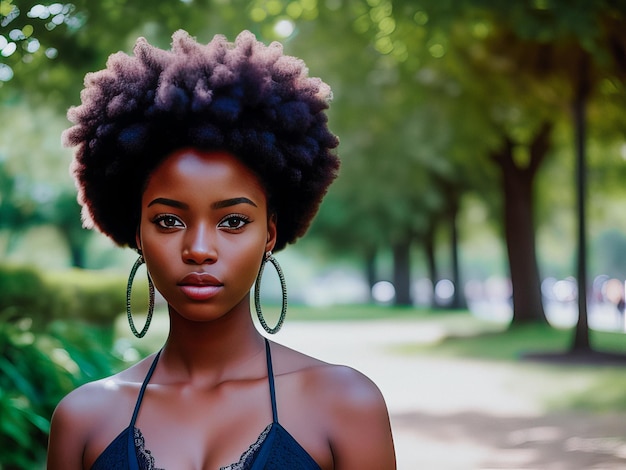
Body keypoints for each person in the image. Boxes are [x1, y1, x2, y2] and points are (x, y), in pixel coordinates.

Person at [46, 30, 396, 470]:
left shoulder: (345, 404)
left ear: (269, 234)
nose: (198, 249)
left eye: (232, 221)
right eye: (168, 220)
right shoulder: (84, 419)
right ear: (137, 233)